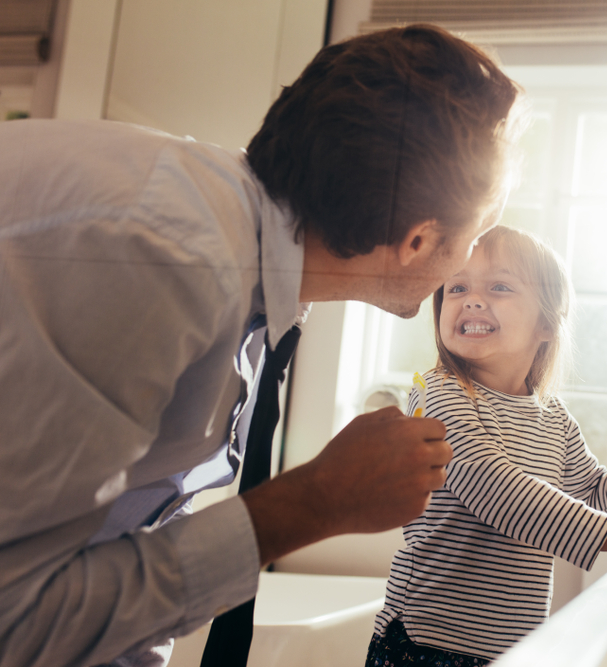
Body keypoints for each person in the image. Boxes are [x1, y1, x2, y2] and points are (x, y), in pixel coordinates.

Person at [0, 25, 523, 667]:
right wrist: (317, 502)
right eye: (477, 234)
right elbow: (14, 617)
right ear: (418, 240)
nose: (470, 262)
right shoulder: (164, 261)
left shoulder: (234, 261)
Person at [365, 226, 607, 666]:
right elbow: (493, 487)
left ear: (547, 323)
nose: (471, 299)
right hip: (425, 643)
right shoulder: (438, 393)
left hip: (510, 649)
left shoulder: (553, 418)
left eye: (499, 286)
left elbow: (592, 499)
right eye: (456, 286)